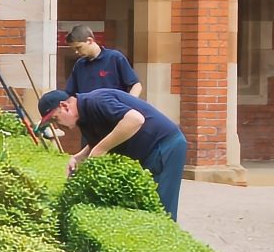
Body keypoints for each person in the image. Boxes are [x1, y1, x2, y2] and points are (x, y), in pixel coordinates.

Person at [37, 86, 188, 219]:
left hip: (165, 145)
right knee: (145, 206)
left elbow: (135, 119)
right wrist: (78, 157)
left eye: (56, 119)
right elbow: (98, 142)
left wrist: (101, 149)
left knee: (161, 210)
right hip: (148, 152)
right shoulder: (84, 118)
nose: (57, 125)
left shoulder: (96, 101)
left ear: (65, 106)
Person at [64, 24, 140, 96]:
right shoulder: (79, 64)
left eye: (78, 47)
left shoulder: (115, 57)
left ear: (90, 40)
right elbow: (70, 94)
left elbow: (136, 85)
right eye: (74, 49)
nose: (76, 52)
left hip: (113, 109)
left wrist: (129, 103)